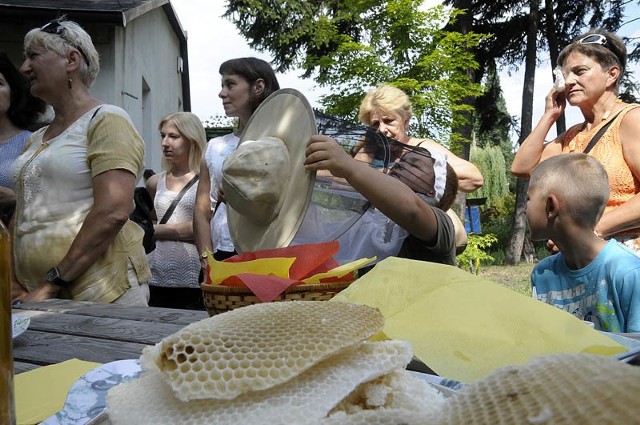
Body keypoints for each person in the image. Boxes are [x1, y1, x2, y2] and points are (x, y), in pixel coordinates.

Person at [10, 17, 150, 305]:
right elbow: (23, 212)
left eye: (33, 56)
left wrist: (53, 284)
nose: (24, 68)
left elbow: (113, 211)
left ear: (71, 60)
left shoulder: (107, 120)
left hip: (102, 293)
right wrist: (11, 282)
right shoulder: (35, 138)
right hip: (34, 296)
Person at [511, 29, 640, 254]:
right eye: (565, 74)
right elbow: (522, 167)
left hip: (628, 258)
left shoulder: (630, 120)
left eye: (580, 71)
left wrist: (592, 230)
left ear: (612, 74)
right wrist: (549, 116)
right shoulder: (572, 136)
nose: (569, 81)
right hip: (581, 260)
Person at [304, 133, 460, 266]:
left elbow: (411, 208)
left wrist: (348, 165)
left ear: (433, 190)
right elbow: (320, 240)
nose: (400, 165)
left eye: (415, 165)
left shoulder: (441, 225)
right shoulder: (372, 224)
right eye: (402, 161)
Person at [526, 153, 640, 333]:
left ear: (551, 207)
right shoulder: (542, 275)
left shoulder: (628, 273)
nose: (525, 208)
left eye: (528, 199)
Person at [193, 57, 279, 277]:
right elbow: (202, 211)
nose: (222, 93)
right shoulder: (215, 147)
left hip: (271, 255)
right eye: (222, 85)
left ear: (258, 86)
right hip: (222, 256)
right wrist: (207, 259)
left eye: (230, 84)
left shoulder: (284, 141)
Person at [356, 84, 483, 193]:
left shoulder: (422, 148)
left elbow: (474, 178)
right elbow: (341, 183)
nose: (382, 129)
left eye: (389, 121)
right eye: (375, 124)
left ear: (406, 122)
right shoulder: (369, 151)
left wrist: (420, 173)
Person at [146, 112, 206, 309]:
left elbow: (206, 228)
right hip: (154, 275)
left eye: (173, 136)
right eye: (162, 135)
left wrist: (157, 231)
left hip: (193, 277)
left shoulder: (206, 181)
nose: (165, 142)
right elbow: (152, 221)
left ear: (192, 139)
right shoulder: (155, 182)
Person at [0, 52, 47, 225]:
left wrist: (14, 198)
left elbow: (53, 201)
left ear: (13, 92)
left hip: (15, 241)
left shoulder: (34, 143)